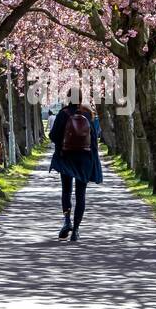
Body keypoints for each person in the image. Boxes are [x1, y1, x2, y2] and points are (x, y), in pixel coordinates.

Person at [49, 96, 103, 242]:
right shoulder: (87, 113)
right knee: (81, 195)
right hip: (84, 159)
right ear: (80, 98)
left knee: (66, 191)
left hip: (66, 157)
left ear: (68, 98)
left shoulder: (63, 113)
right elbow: (94, 138)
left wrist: (62, 144)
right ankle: (76, 231)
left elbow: (53, 136)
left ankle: (67, 221)